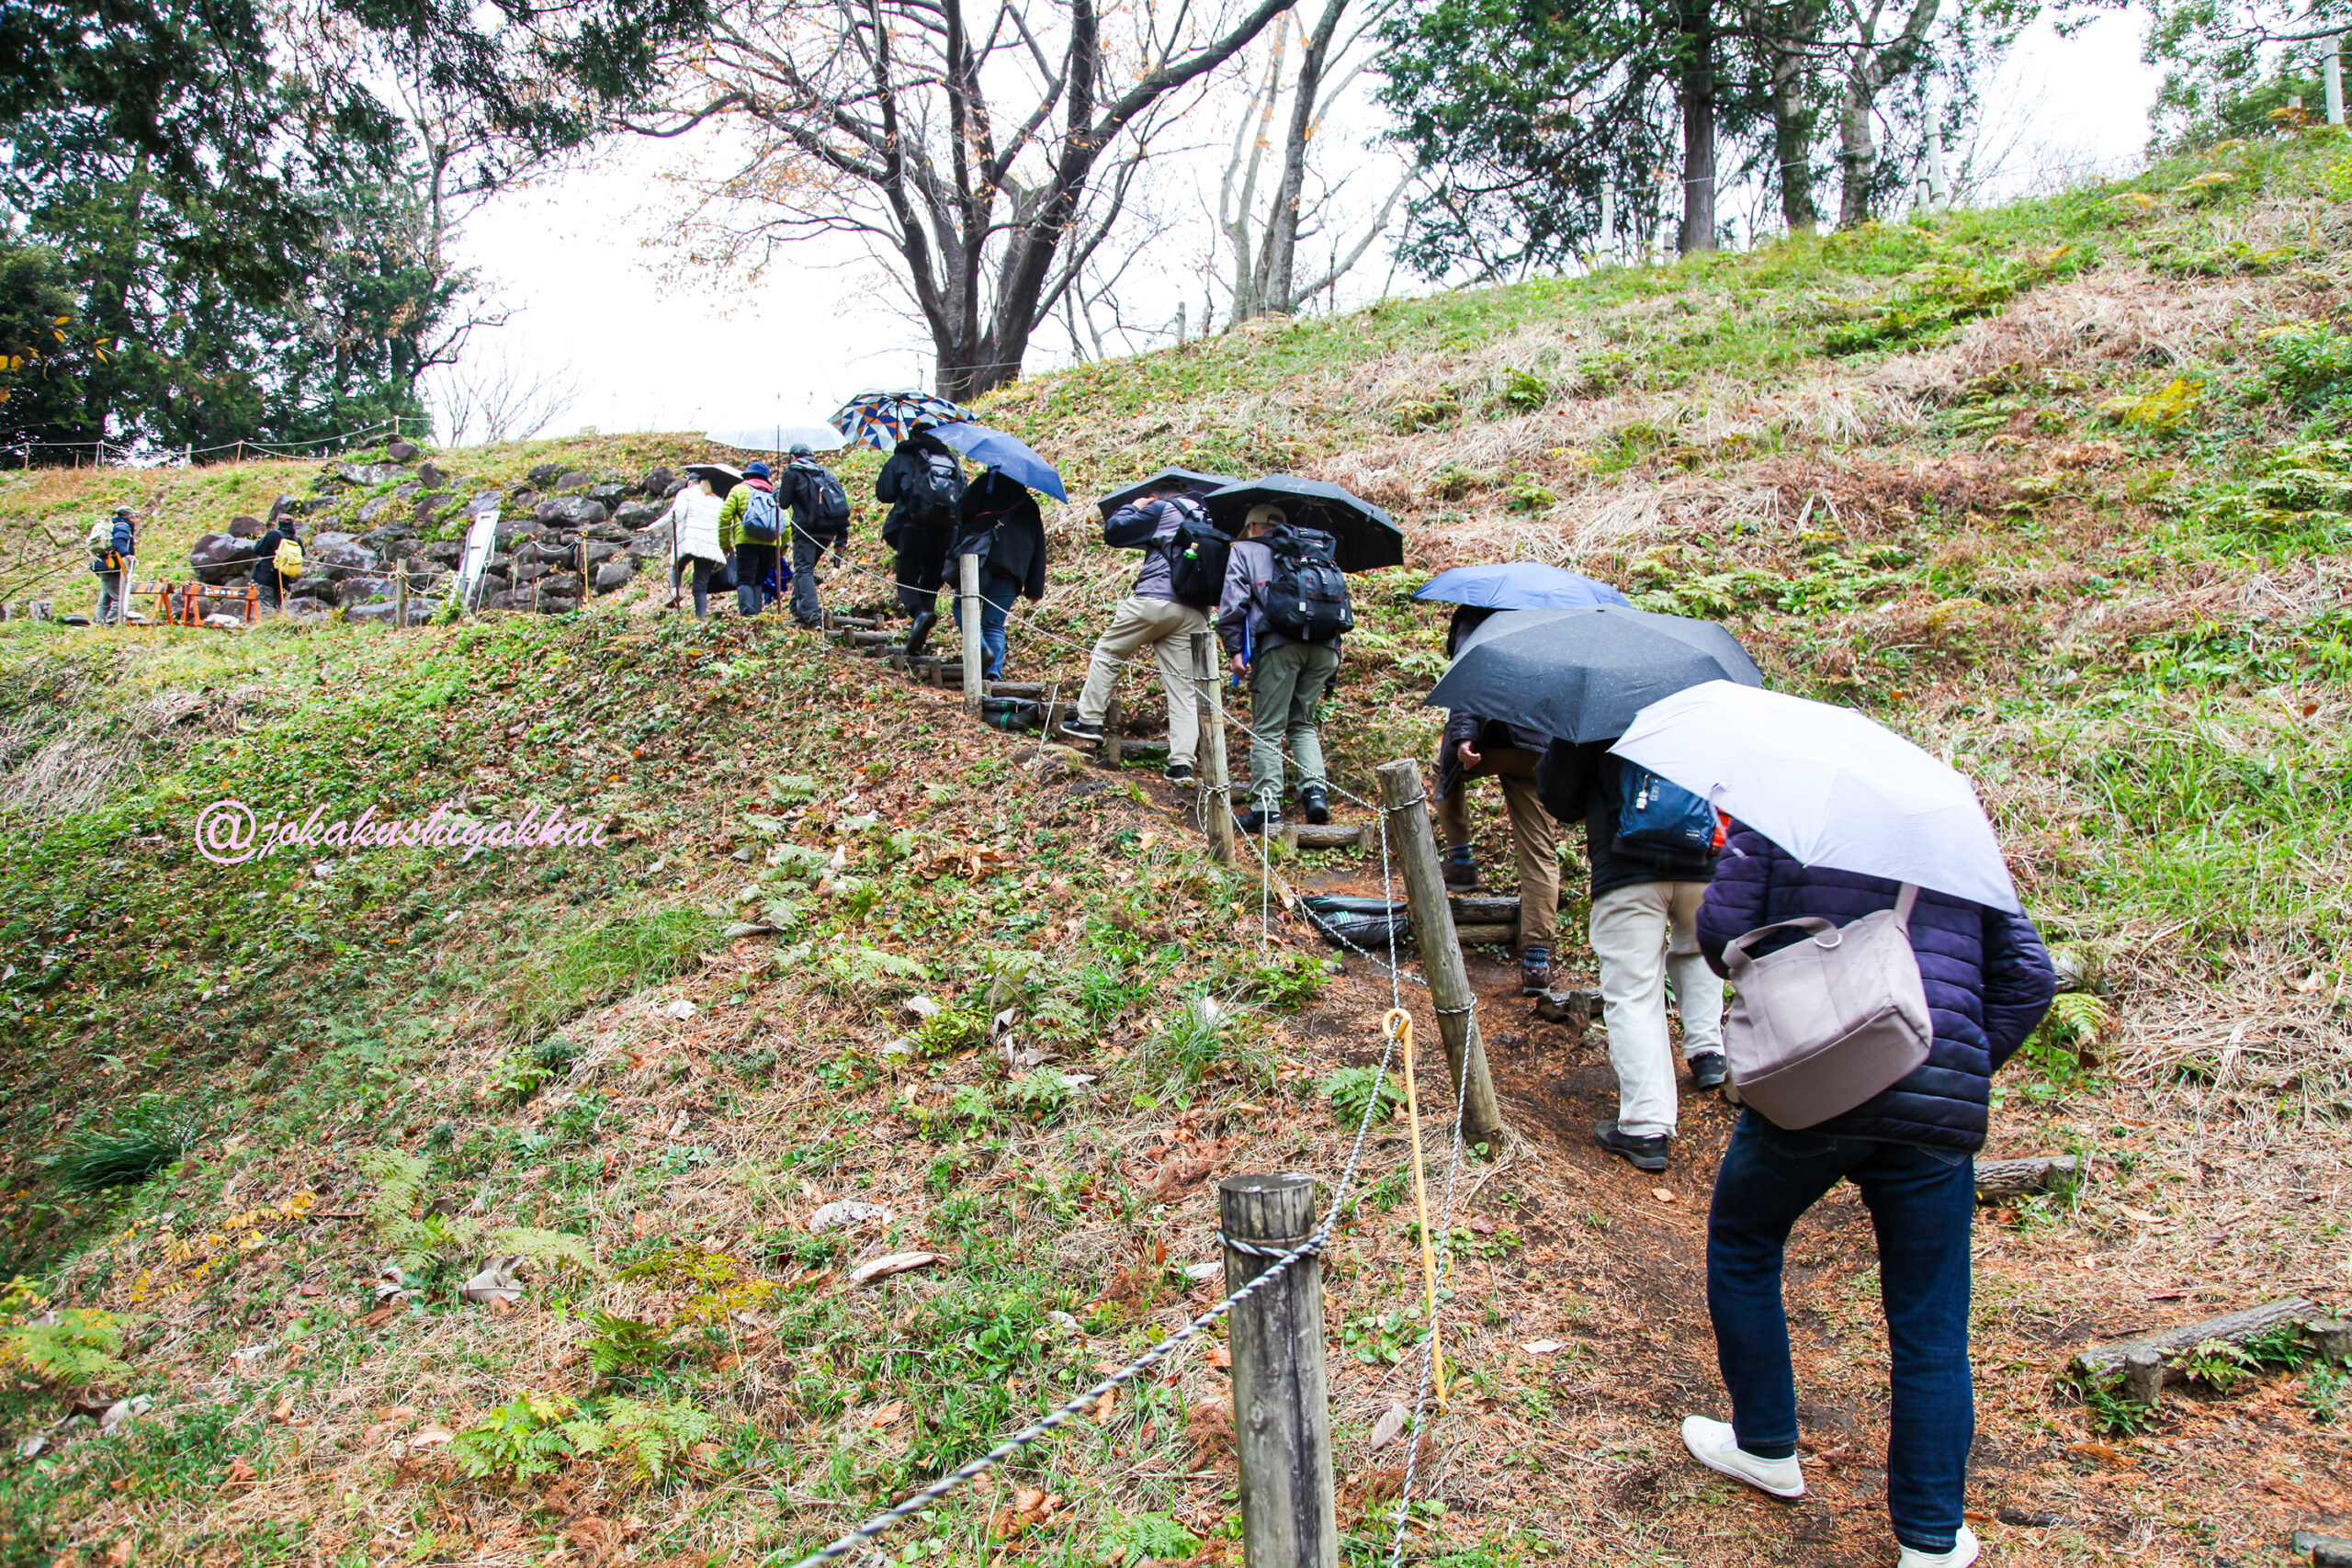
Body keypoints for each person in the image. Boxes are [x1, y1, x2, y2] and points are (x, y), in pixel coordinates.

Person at [1679, 831, 2054, 1568]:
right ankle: (1930, 1538)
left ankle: (1765, 1445)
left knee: (1746, 1241)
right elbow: (2031, 978)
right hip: (1936, 1103)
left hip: (1816, 1081)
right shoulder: (1956, 839)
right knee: (1931, 1322)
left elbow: (1717, 930)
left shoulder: (1785, 821)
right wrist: (1951, 1061)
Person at [1535, 739, 1726, 1171]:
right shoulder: (1700, 696)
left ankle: (1645, 1126)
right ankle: (1708, 1052)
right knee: (1698, 952)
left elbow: (1557, 792)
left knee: (1635, 991)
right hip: (1702, 859)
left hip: (1626, 868)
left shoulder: (1599, 704)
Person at [1435, 605, 1564, 993]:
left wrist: (1463, 736)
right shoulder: (1557, 622)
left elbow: (1470, 679)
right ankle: (1537, 960)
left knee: (1448, 766)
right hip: (1542, 748)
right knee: (1540, 851)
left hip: (1495, 740)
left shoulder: (1477, 617)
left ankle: (1460, 860)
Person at [1060, 475, 1216, 784]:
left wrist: (1137, 505)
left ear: (1159, 495)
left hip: (1155, 601)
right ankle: (1182, 765)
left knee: (1108, 652)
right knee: (1184, 689)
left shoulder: (1163, 509)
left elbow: (1115, 531)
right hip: (1196, 612)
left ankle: (1089, 721)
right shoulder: (1210, 519)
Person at [1216, 506, 1348, 834]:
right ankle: (1315, 794)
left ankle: (1266, 808)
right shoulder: (1313, 551)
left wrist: (1234, 650)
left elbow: (1234, 603)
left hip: (1279, 647)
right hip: (1326, 649)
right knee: (1302, 722)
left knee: (1268, 729)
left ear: (1252, 528)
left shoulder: (1245, 551)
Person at [874, 423, 964, 656]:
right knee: (931, 582)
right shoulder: (950, 460)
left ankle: (919, 615)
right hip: (946, 530)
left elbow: (884, 494)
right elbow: (962, 493)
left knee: (906, 578)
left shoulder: (904, 457)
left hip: (911, 526)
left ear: (912, 436)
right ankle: (919, 639)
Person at [951, 469, 1047, 681]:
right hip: (1013, 571)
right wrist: (1035, 588)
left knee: (962, 606)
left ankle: (982, 648)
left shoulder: (985, 488)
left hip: (981, 560)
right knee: (994, 623)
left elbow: (960, 509)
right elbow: (1039, 545)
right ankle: (993, 674)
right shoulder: (1029, 504)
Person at [782, 443, 852, 628]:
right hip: (827, 531)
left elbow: (783, 503)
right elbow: (840, 506)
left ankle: (811, 616)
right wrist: (841, 538)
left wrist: (776, 493)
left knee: (803, 570)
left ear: (793, 456)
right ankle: (797, 608)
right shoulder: (826, 474)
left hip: (805, 530)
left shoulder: (792, 471)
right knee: (806, 568)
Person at [718, 460, 786, 616]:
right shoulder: (772, 493)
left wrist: (725, 544)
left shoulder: (739, 490)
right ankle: (757, 613)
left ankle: (748, 614)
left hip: (746, 542)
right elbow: (784, 521)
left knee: (745, 579)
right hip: (770, 544)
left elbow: (724, 516)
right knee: (759, 580)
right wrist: (782, 547)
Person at [660, 473, 728, 619]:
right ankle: (701, 617)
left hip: (691, 542)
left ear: (691, 482)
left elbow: (676, 515)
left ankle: (676, 590)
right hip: (710, 547)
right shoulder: (718, 500)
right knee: (700, 585)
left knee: (676, 564)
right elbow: (724, 525)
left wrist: (653, 527)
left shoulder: (686, 493)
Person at [89, 508, 134, 625]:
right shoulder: (123, 526)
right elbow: (118, 542)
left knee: (105, 596)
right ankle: (111, 623)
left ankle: (100, 622)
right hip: (112, 566)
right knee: (118, 596)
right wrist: (127, 555)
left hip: (101, 564)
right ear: (130, 517)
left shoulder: (111, 525)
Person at [252, 513, 300, 615]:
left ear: (279, 523)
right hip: (284, 577)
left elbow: (258, 549)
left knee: (266, 604)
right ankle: (277, 625)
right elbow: (302, 555)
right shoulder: (296, 540)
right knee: (278, 604)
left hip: (267, 576)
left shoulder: (273, 534)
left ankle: (267, 627)